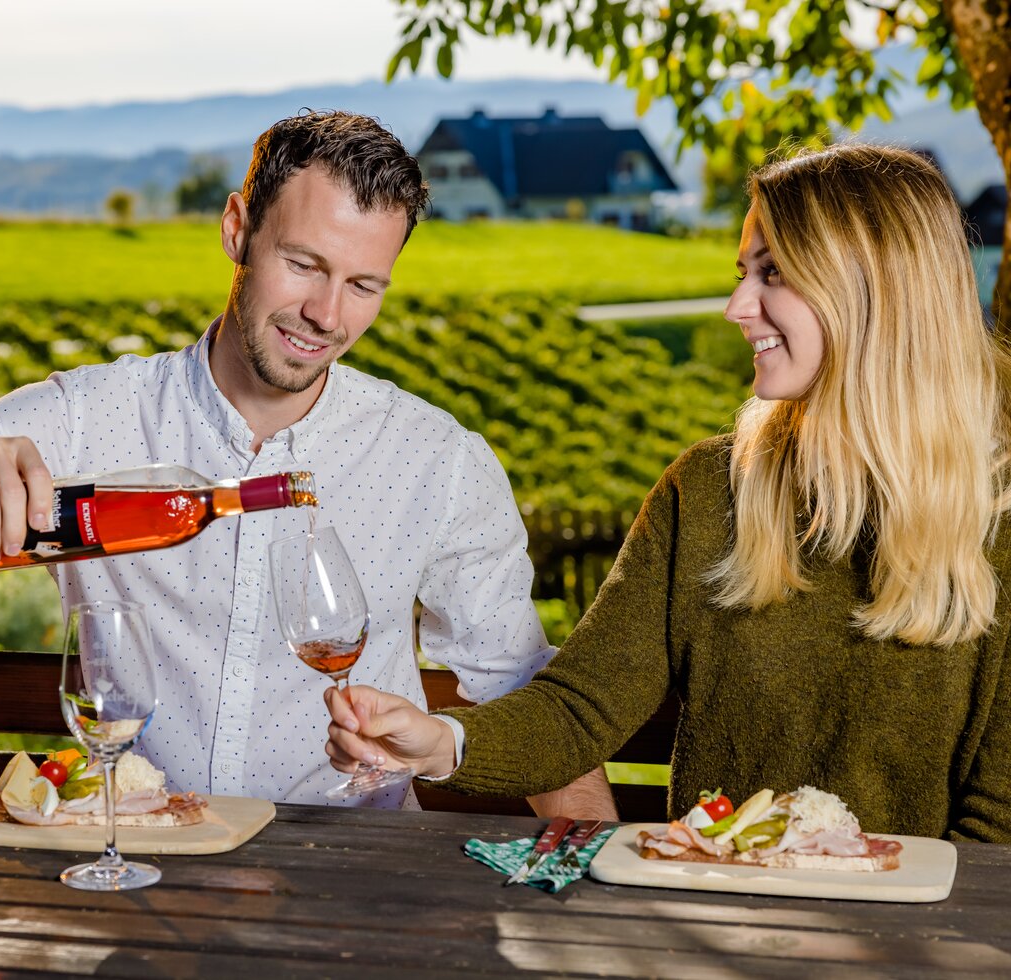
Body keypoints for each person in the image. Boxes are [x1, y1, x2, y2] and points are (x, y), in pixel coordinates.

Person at [0, 110, 611, 813]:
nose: (326, 316)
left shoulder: (438, 461)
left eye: (364, 284)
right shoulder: (91, 417)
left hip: (352, 882)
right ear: (237, 229)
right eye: (304, 265)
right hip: (140, 854)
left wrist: (610, 898)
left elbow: (522, 694)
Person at [325, 142, 1011, 841]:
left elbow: (998, 825)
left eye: (773, 273)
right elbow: (579, 709)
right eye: (743, 272)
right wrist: (443, 744)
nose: (737, 307)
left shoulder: (1001, 526)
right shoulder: (710, 492)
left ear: (875, 292)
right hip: (714, 918)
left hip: (914, 936)